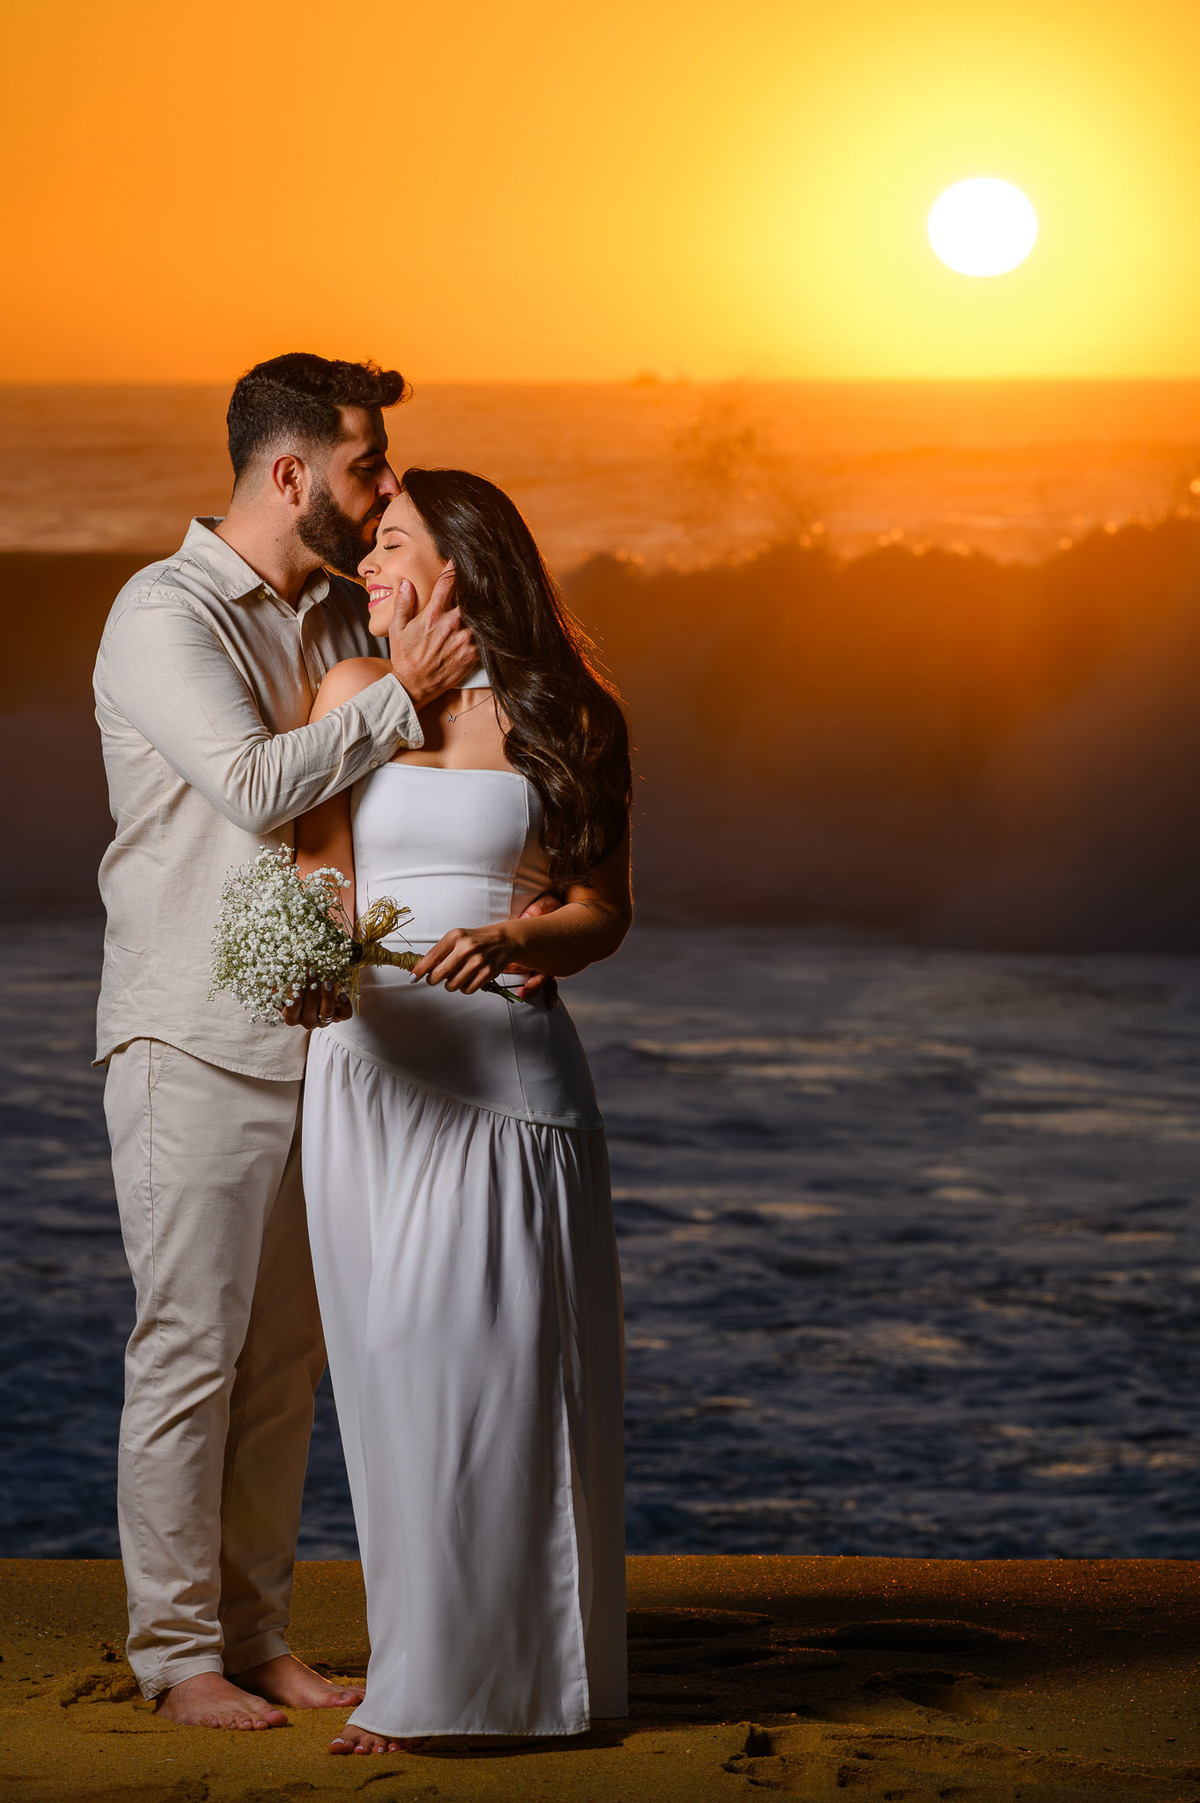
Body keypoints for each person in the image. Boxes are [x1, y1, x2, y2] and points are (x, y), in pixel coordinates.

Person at [93, 353, 481, 1729]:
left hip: (317, 1036)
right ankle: (174, 1653)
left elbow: (351, 822)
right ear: (290, 472)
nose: (382, 491)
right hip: (189, 1035)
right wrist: (405, 691)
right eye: (368, 464)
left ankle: (257, 1635)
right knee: (189, 1346)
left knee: (283, 1361)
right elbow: (258, 786)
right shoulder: (164, 610)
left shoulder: (324, 619)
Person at [296, 468, 632, 1753]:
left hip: (505, 1074)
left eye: (387, 545)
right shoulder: (351, 695)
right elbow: (322, 859)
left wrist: (514, 932)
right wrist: (312, 954)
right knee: (388, 1373)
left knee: (484, 1367)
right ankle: (435, 1660)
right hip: (367, 1071)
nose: (364, 568)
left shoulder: (574, 715)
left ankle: (465, 1691)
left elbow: (605, 909)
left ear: (462, 561)